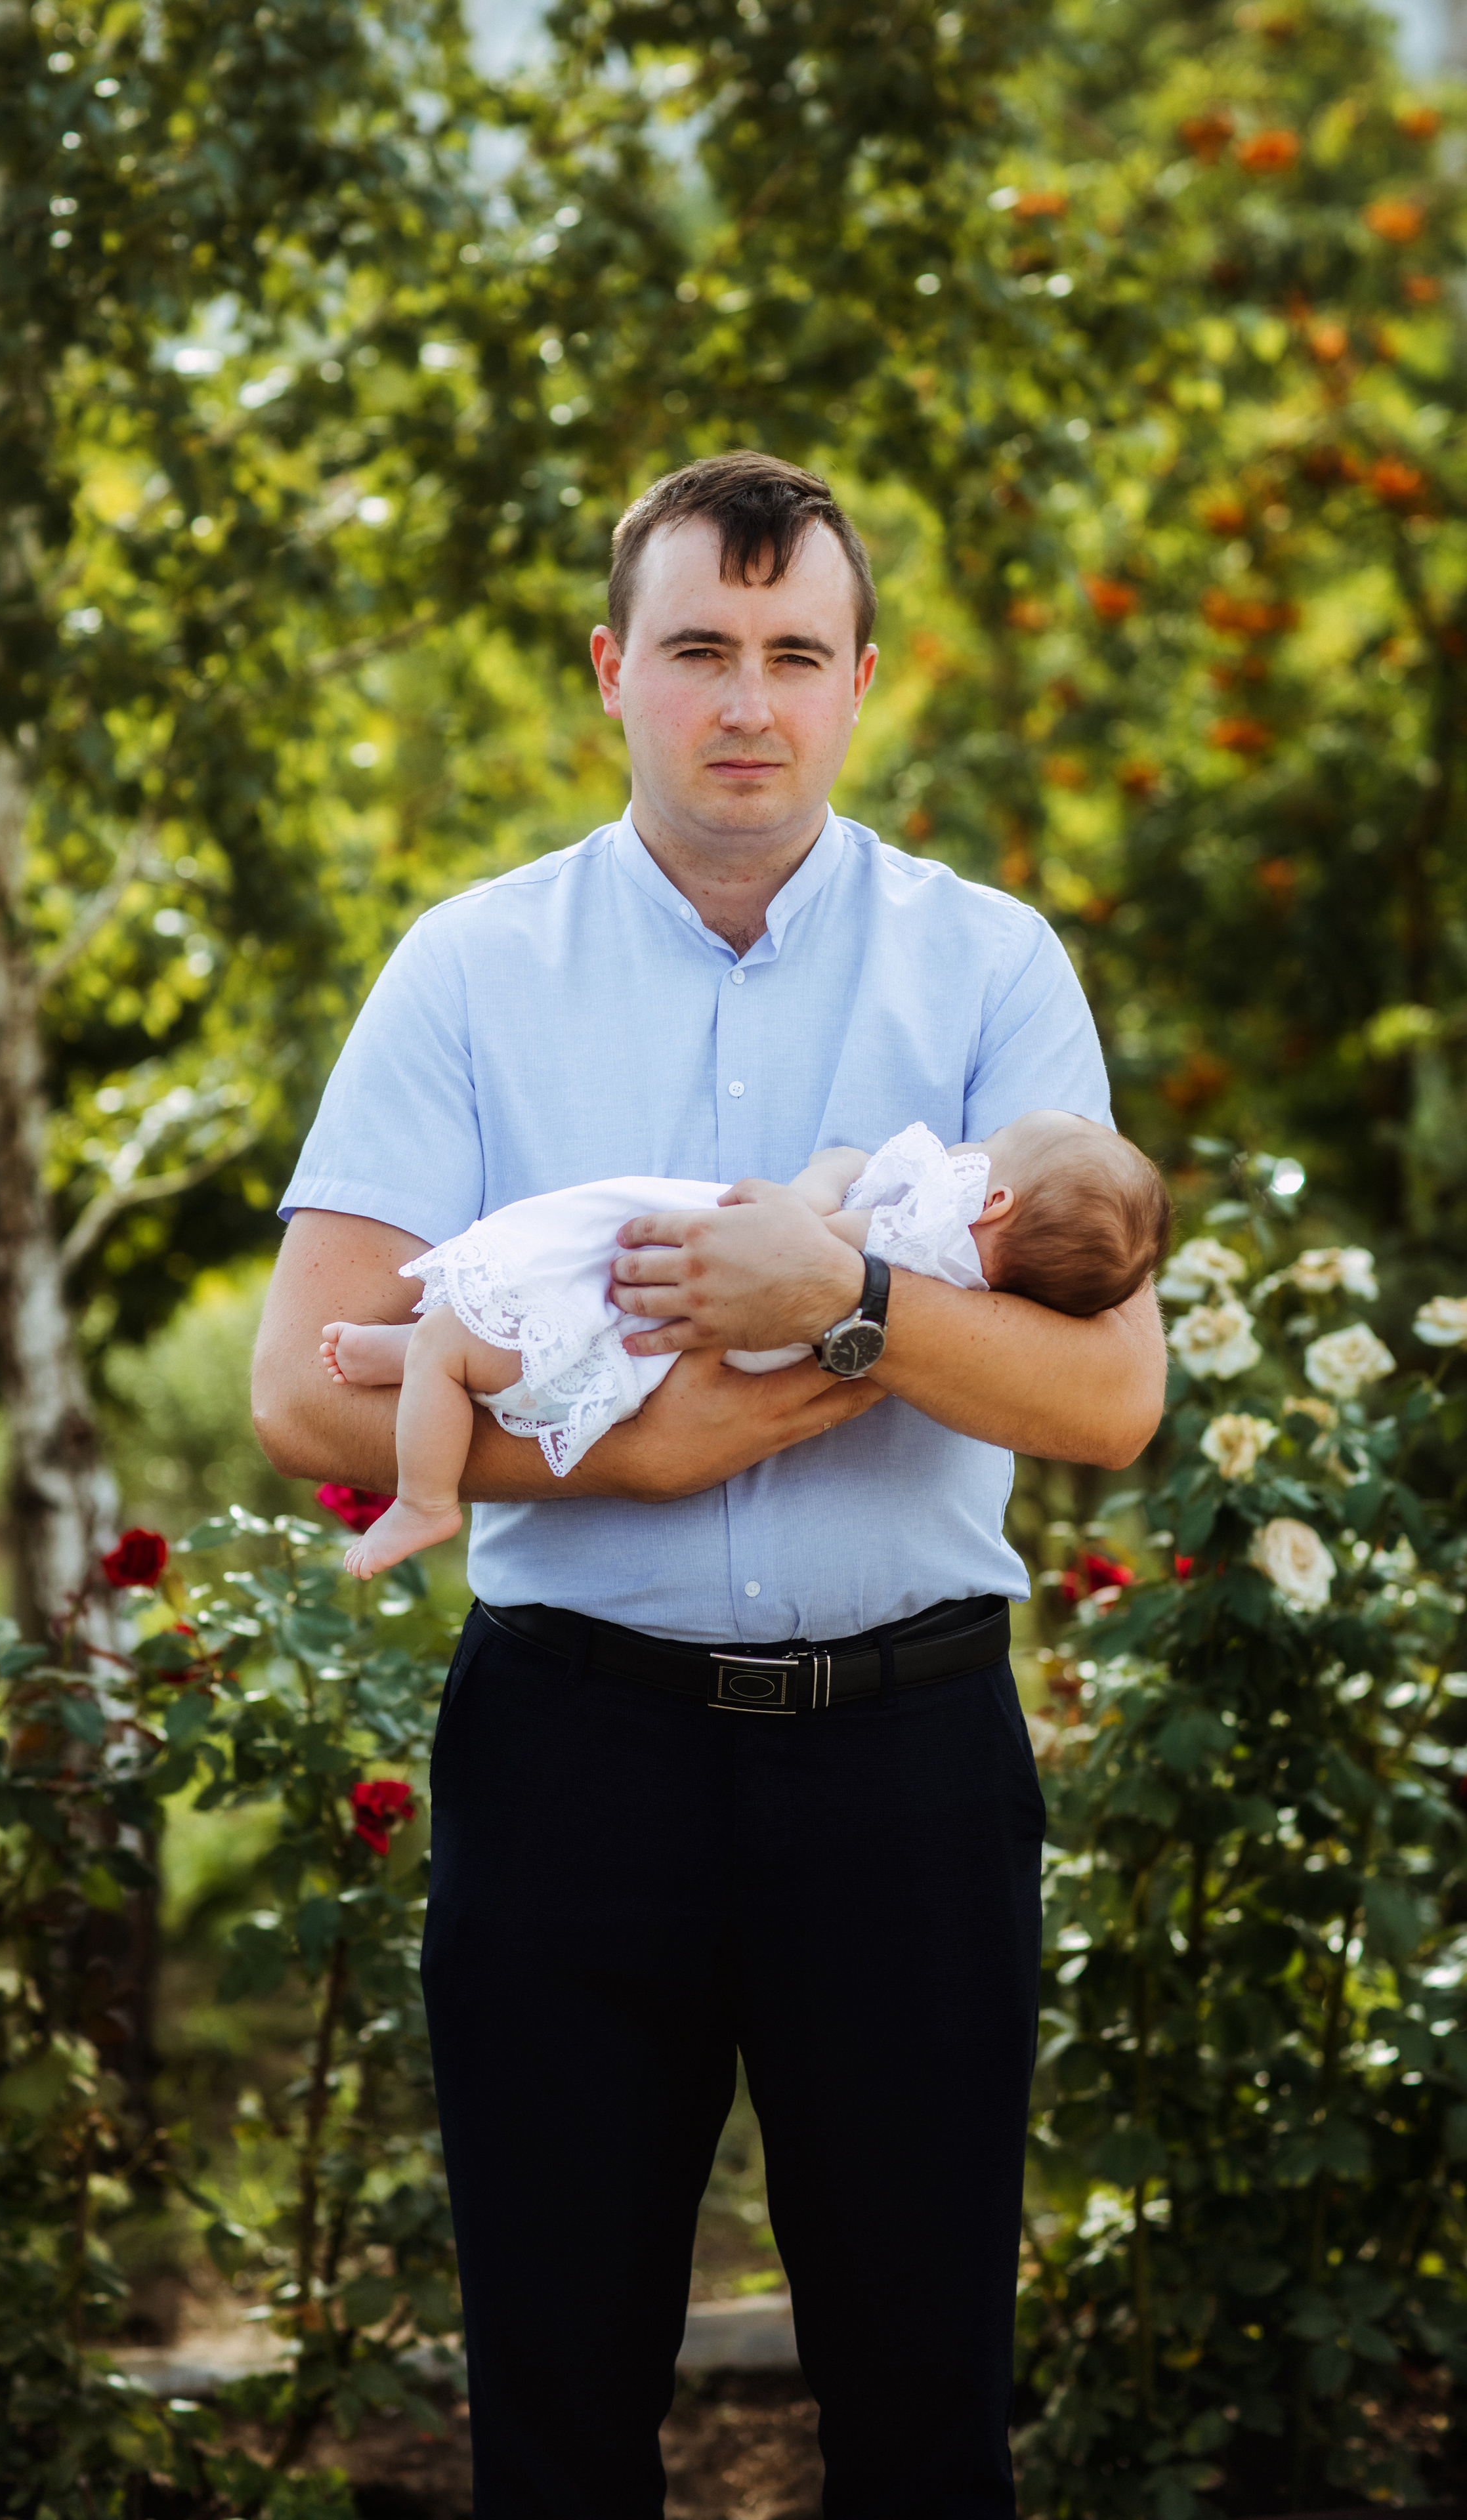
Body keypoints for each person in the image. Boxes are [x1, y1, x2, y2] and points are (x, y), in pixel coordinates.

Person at [251, 450, 1167, 2519]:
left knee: (928, 2420)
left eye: (790, 655)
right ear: (612, 671)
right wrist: (651, 1453)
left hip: (909, 1769)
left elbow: (1108, 1396)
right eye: (696, 652)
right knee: (558, 2425)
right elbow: (306, 1390)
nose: (742, 702)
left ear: (860, 682)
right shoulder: (468, 968)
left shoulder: (992, 966)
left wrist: (844, 1302)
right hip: (578, 1765)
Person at [318, 1113, 1170, 1579]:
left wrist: (813, 1182)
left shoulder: (917, 1235)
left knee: (471, 1340)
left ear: (992, 1202)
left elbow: (797, 1255)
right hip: (705, 1354)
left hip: (683, 1316)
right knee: (463, 1345)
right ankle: (410, 1352)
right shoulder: (963, 1296)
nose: (966, 1155)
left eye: (985, 1157)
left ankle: (427, 1497)